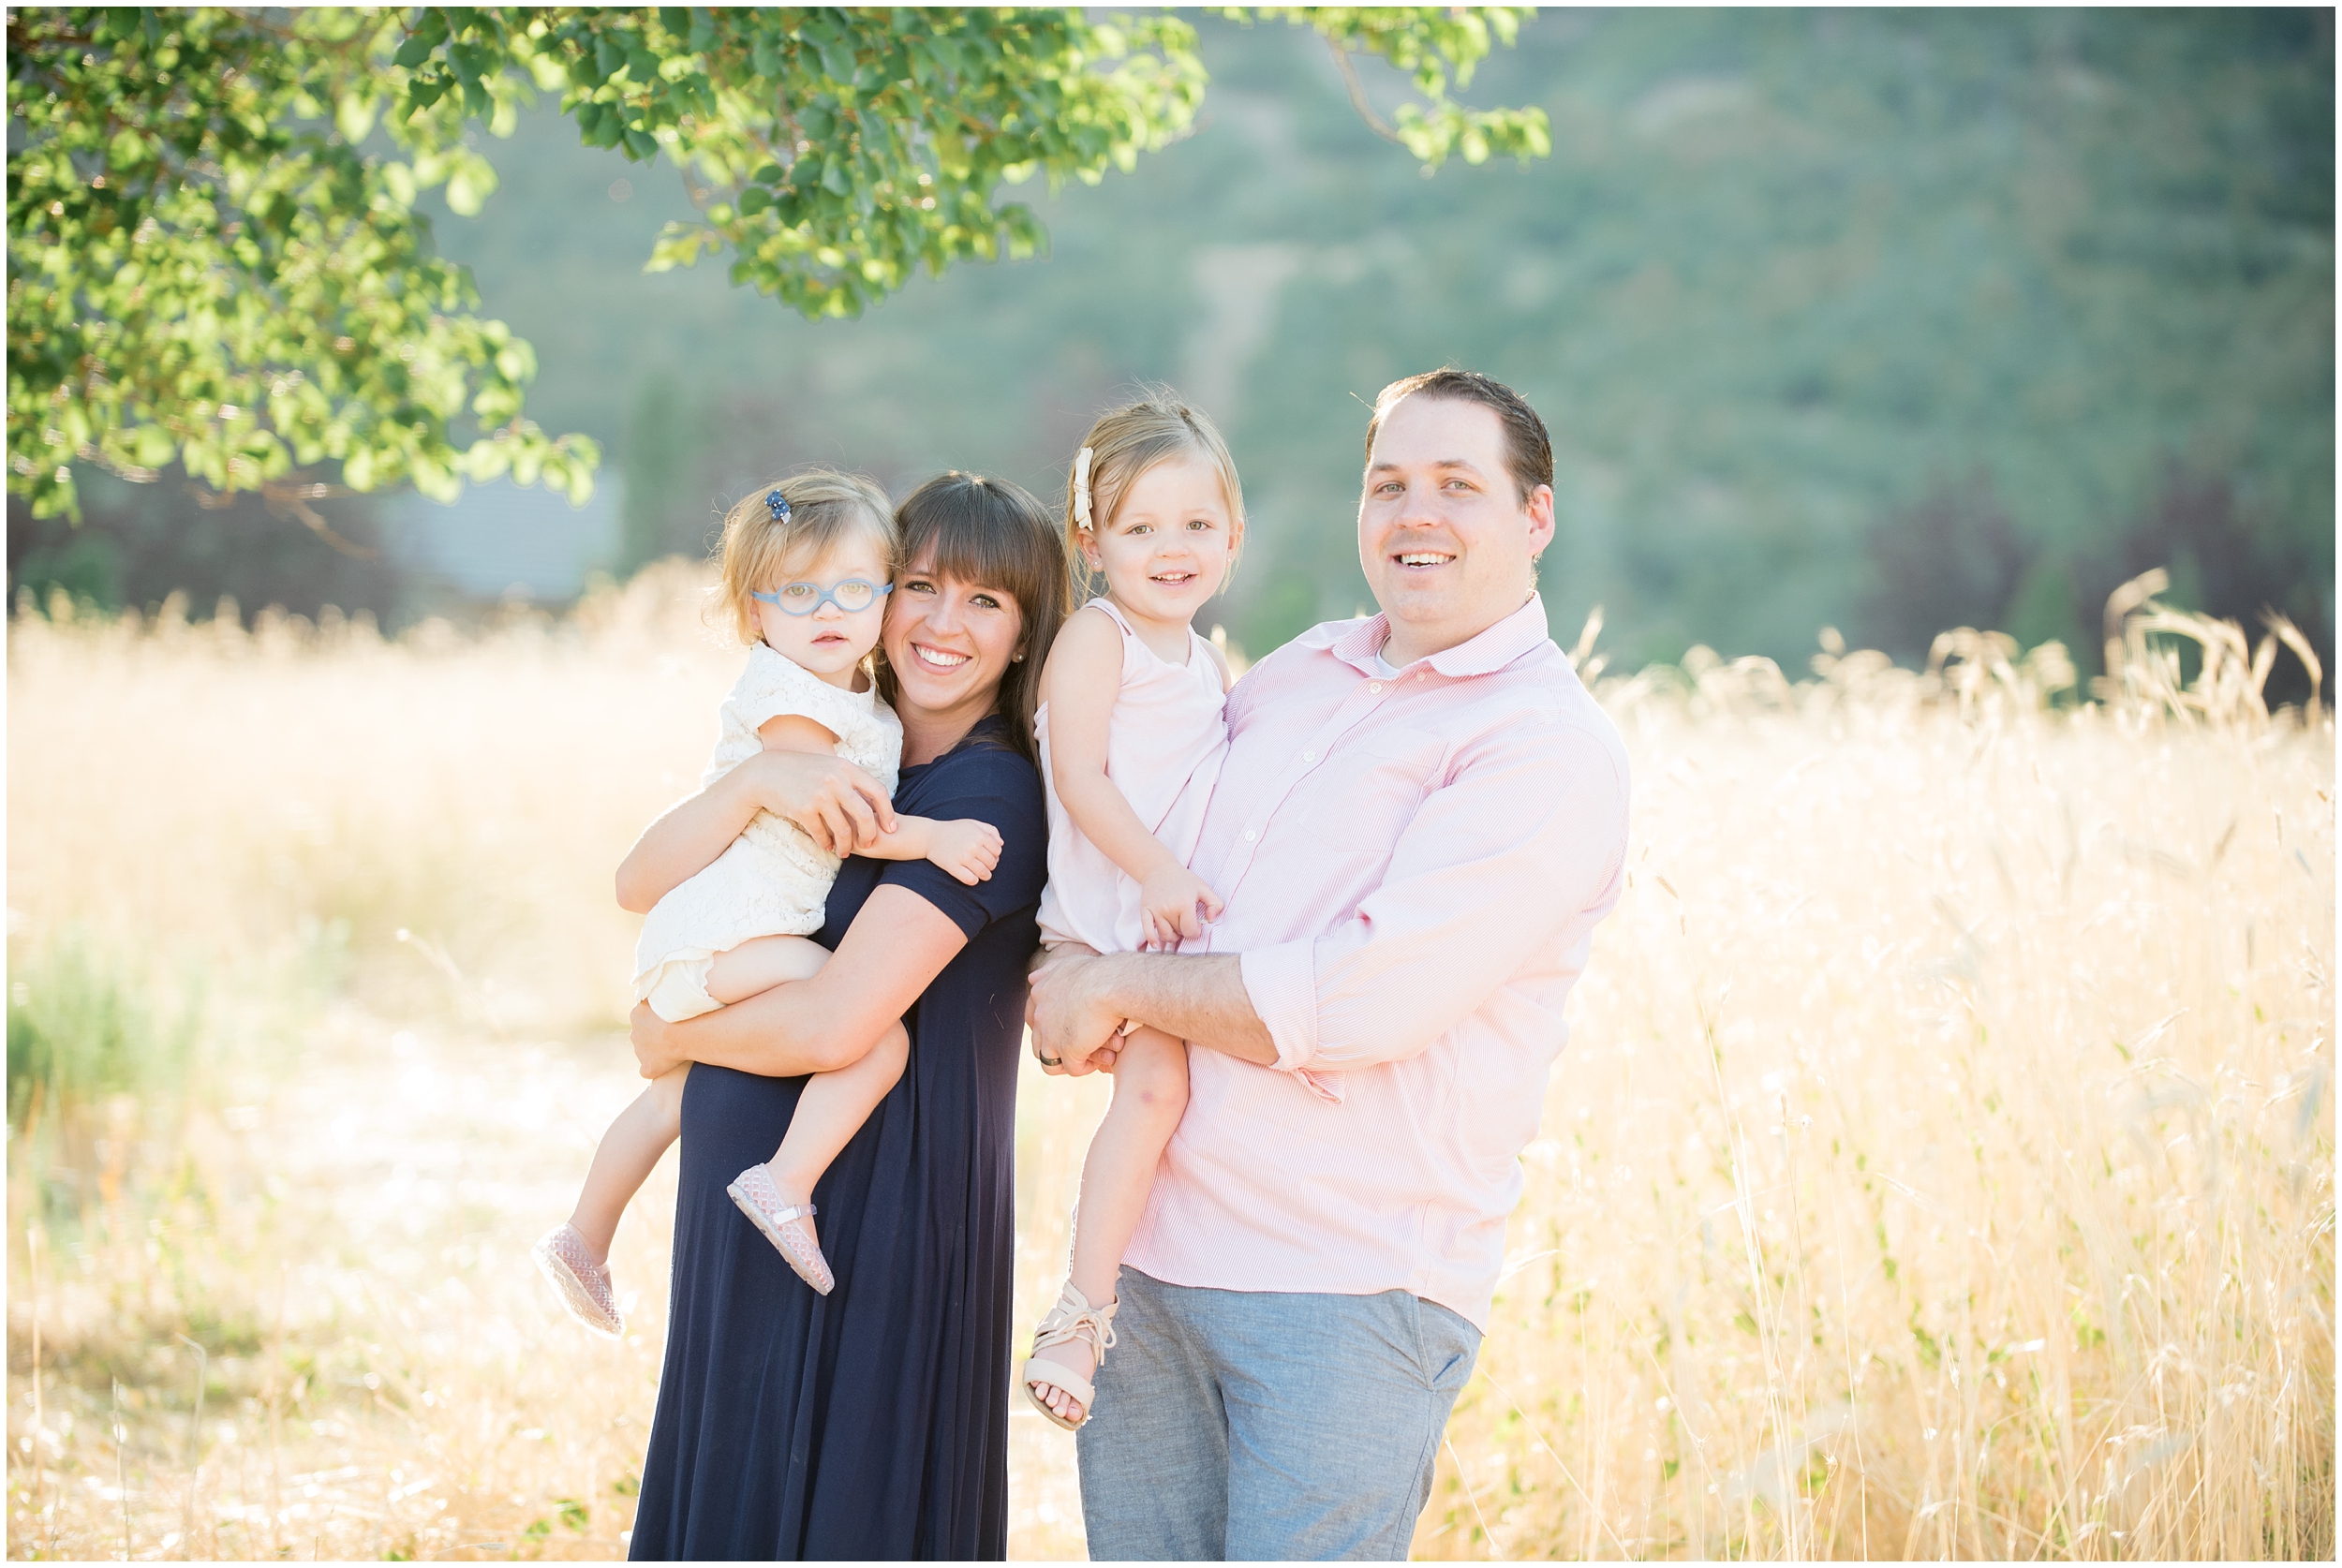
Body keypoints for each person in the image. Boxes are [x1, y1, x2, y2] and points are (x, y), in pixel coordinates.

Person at [1029, 369, 1632, 1561]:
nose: (1416, 514)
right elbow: (1148, 838)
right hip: (1147, 1271)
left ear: (1536, 517)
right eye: (1388, 484)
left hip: (1342, 1298)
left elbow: (1355, 1003)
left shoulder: (1542, 746)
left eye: (1458, 486)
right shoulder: (1297, 670)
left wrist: (1107, 990)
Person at [621, 472, 1068, 1561]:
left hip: (879, 1217)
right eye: (920, 586)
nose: (941, 624)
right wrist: (750, 785)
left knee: (842, 1519)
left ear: (1023, 638)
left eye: (985, 603)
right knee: (733, 1503)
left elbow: (831, 1027)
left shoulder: (984, 795)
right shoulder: (842, 753)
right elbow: (645, 881)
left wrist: (670, 1037)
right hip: (763, 1206)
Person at [532, 472, 1005, 1335]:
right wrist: (932, 840)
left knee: (673, 1097)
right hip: (731, 928)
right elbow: (845, 824)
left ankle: (582, 1237)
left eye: (857, 589)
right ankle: (784, 1184)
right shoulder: (793, 704)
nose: (831, 610)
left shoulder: (845, 690)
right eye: (799, 593)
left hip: (722, 933)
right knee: (868, 1037)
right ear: (756, 612)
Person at [1021, 391, 1244, 1430]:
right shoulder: (1097, 639)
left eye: (1196, 524)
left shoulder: (1204, 658)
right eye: (1141, 526)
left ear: (1233, 535)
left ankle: (1138, 1299)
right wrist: (1157, 872)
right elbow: (1079, 776)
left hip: (1160, 926)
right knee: (1152, 1099)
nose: (1173, 548)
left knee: (1172, 1108)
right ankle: (1080, 1311)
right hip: (1106, 916)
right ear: (1091, 539)